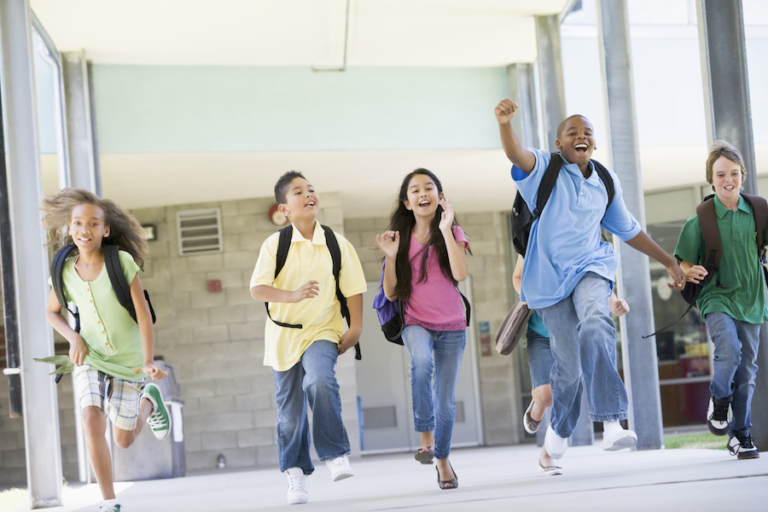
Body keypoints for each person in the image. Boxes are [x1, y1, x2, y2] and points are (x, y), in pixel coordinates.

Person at [494, 99, 687, 466]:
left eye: (587, 133)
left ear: (594, 144)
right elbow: (516, 154)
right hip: (548, 282)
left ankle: (612, 421)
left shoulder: (605, 181)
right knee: (567, 368)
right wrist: (505, 124)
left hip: (591, 266)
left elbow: (629, 230)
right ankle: (558, 434)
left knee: (597, 323)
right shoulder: (544, 169)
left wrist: (667, 261)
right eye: (572, 133)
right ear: (559, 143)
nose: (581, 137)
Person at [42, 188, 170, 512]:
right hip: (92, 359)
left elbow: (143, 313)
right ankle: (110, 502)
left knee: (123, 440)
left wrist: (147, 361)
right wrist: (73, 338)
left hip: (129, 364)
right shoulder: (64, 270)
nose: (86, 230)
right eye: (79, 223)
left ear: (105, 229)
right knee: (90, 419)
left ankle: (149, 402)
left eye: (94, 224)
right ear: (69, 229)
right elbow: (51, 312)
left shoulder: (120, 262)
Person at [250, 171, 367, 505]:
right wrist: (291, 295)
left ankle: (334, 454)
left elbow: (354, 289)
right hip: (283, 337)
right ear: (284, 208)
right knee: (290, 412)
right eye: (298, 192)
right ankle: (296, 475)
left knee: (318, 380)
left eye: (311, 190)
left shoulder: (336, 243)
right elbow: (258, 289)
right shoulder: (275, 244)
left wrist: (355, 328)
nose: (308, 195)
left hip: (322, 329)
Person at [375, 169, 469, 490]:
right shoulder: (399, 239)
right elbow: (390, 293)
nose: (422, 193)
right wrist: (390, 257)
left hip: (453, 325)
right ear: (407, 202)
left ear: (439, 197)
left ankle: (442, 459)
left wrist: (445, 229)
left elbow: (459, 274)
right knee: (422, 363)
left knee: (445, 401)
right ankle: (425, 436)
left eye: (429, 188)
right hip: (415, 321)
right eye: (415, 190)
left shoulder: (451, 231)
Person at [674, 140, 766, 460]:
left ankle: (740, 434)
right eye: (721, 174)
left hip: (752, 299)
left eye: (734, 173)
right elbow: (681, 261)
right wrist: (689, 269)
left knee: (747, 370)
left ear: (743, 175)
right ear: (711, 180)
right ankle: (720, 400)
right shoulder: (700, 218)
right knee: (729, 349)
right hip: (716, 296)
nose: (729, 179)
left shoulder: (759, 210)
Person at [512, 256, 630, 476]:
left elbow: (591, 279)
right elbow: (517, 276)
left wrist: (612, 301)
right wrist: (528, 296)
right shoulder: (532, 239)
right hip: (542, 335)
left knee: (571, 380)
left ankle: (547, 454)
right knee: (546, 396)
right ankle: (537, 406)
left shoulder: (577, 240)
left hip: (572, 335)